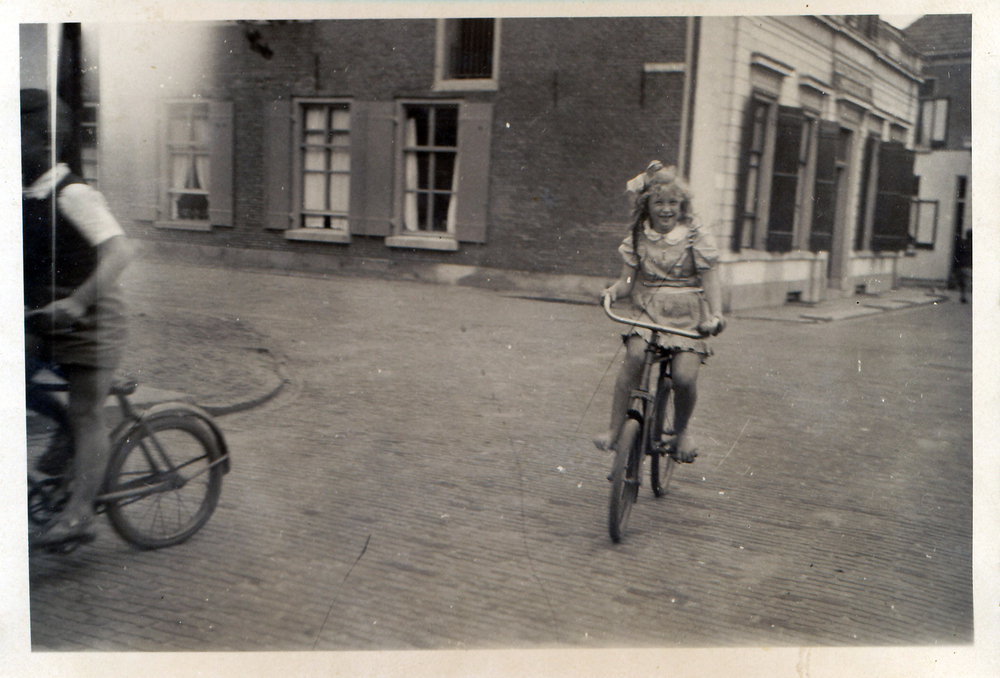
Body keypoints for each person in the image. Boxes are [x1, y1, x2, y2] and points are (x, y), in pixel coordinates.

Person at [22, 88, 133, 546]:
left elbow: (120, 252)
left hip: (92, 320)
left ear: (46, 141)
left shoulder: (74, 195)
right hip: (43, 317)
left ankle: (80, 514)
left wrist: (78, 303)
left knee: (87, 411)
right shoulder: (22, 195)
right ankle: (66, 430)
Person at [594, 161, 724, 463]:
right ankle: (615, 430)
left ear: (682, 205)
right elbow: (628, 282)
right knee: (634, 358)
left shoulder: (695, 236)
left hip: (688, 316)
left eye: (673, 203)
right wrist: (613, 291)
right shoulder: (639, 236)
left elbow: (710, 280)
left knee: (684, 377)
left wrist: (715, 316)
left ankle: (681, 431)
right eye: (659, 202)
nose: (666, 209)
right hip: (648, 312)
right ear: (647, 205)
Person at [954, 230, 972, 304]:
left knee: (962, 282)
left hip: (961, 265)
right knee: (966, 282)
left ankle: (962, 295)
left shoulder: (962, 243)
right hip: (968, 266)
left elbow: (957, 254)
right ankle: (964, 296)